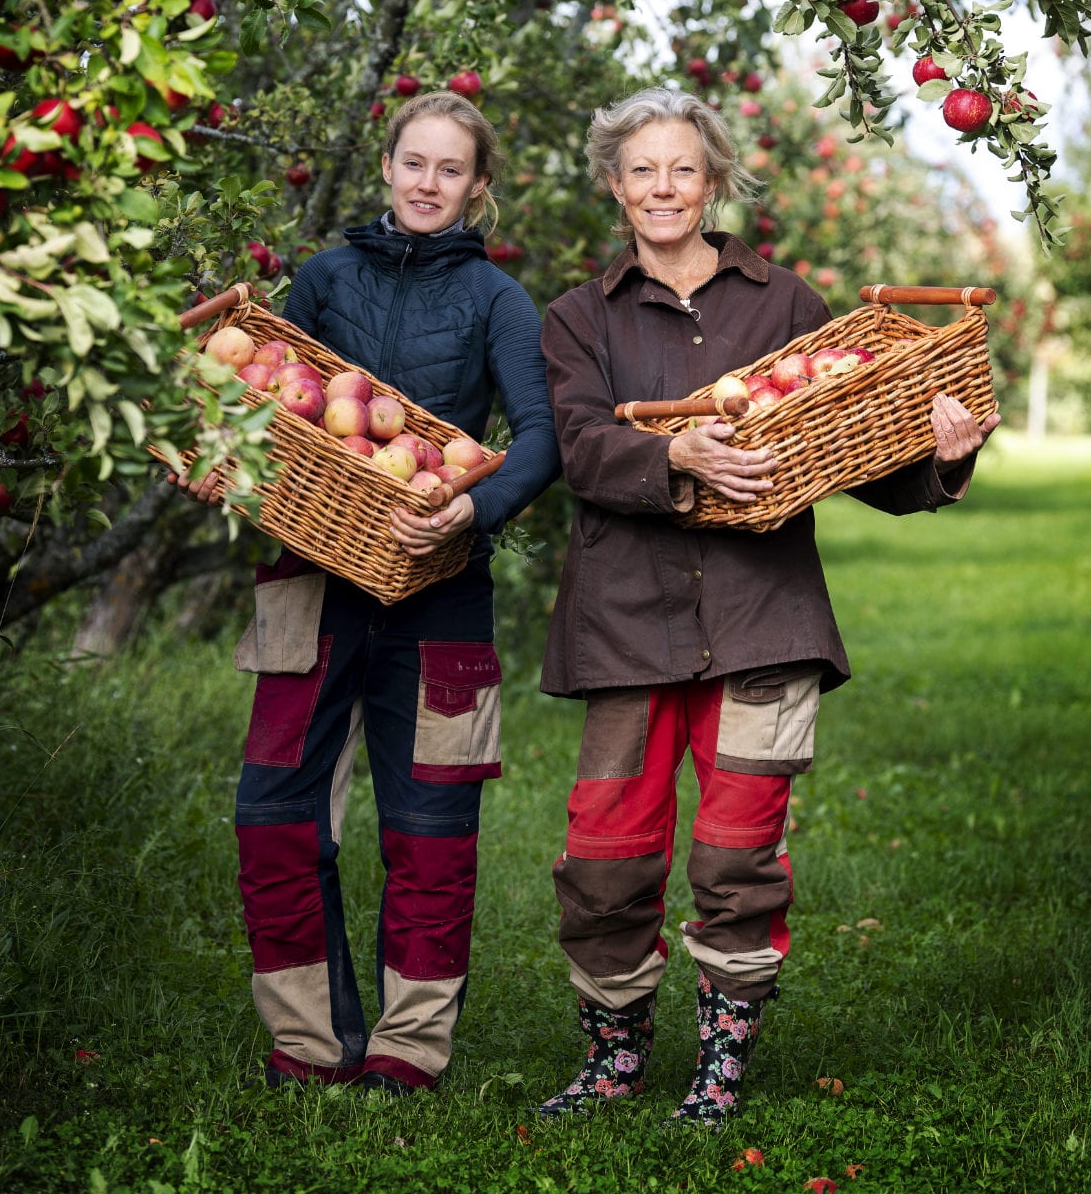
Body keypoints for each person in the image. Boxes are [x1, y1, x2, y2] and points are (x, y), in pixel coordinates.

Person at [535, 86, 999, 1129]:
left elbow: (853, 444)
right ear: (614, 185)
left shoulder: (785, 305)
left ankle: (722, 1063)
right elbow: (577, 446)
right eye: (642, 169)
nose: (663, 188)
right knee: (607, 853)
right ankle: (614, 1058)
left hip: (763, 618)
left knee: (739, 852)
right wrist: (670, 453)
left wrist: (939, 460)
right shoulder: (578, 317)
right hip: (626, 623)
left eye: (683, 169)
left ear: (715, 181)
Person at [171, 90, 560, 1095]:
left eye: (450, 169)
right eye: (413, 162)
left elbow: (541, 439)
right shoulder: (325, 276)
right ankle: (308, 1039)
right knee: (274, 811)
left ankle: (408, 1047)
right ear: (386, 166)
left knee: (431, 826)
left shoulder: (498, 301)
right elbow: (266, 401)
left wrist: (469, 513)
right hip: (309, 579)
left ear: (478, 187)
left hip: (440, 588)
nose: (428, 183)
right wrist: (216, 457)